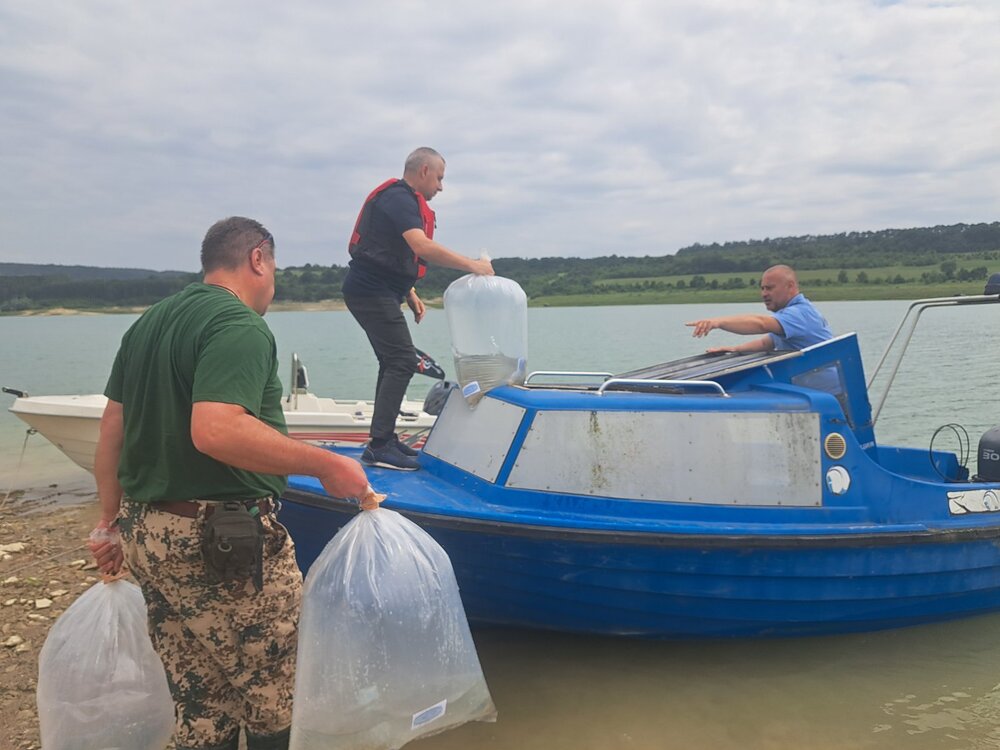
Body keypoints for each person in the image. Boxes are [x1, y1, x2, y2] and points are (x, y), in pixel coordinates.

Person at [87, 217, 381, 750]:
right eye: (275, 270)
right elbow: (216, 429)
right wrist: (325, 464)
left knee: (201, 699)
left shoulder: (149, 323)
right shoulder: (238, 324)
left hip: (148, 534)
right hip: (221, 544)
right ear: (258, 258)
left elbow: (112, 429)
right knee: (275, 692)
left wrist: (108, 526)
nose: (274, 285)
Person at [343, 147, 494, 471]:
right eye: (439, 177)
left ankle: (383, 440)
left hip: (377, 289)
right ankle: (380, 446)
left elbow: (387, 251)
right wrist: (474, 266)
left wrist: (408, 291)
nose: (440, 186)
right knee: (401, 359)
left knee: (392, 360)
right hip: (370, 291)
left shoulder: (402, 200)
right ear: (424, 170)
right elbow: (421, 246)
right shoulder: (399, 198)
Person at [685, 264, 833, 353]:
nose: (764, 294)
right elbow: (766, 343)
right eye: (762, 288)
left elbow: (761, 324)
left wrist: (716, 322)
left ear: (790, 286)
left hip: (829, 395)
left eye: (769, 288)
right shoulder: (793, 315)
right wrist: (735, 350)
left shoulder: (799, 314)